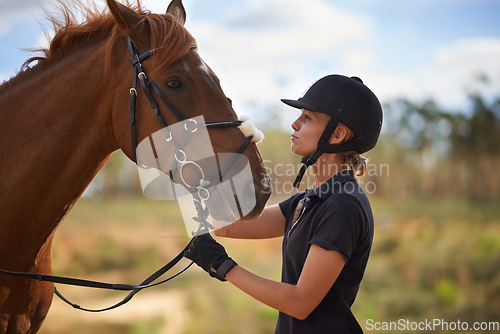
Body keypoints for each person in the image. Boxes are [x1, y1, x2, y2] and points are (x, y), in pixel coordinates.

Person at [184, 74, 383, 333]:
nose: (294, 124)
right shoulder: (308, 200)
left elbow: (301, 303)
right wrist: (205, 156)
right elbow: (225, 226)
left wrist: (224, 267)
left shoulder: (343, 205)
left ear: (337, 134)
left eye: (307, 118)